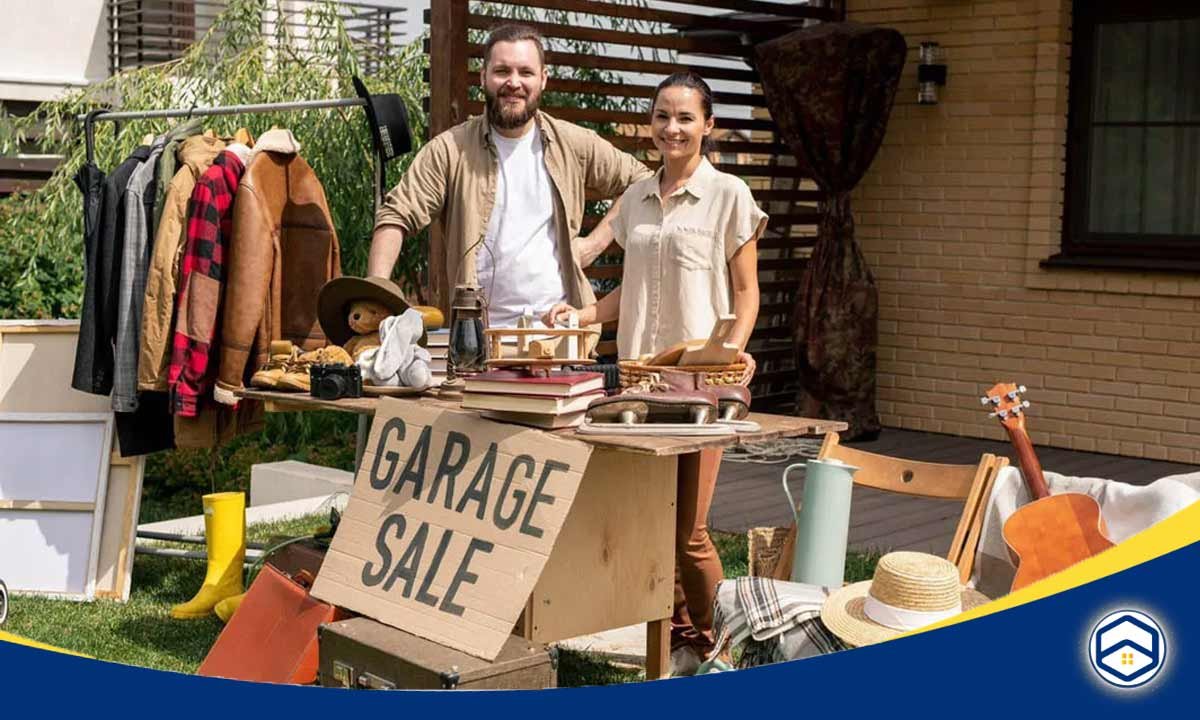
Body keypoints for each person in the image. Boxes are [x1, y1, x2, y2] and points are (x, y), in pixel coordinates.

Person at [543, 72, 767, 675]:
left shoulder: (729, 196)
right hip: (639, 383)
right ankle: (677, 644)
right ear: (651, 124)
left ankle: (732, 649)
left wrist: (731, 355)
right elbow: (630, 288)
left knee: (689, 533)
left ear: (708, 124)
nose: (674, 127)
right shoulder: (637, 198)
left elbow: (746, 294)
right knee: (652, 526)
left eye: (686, 117)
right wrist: (584, 313)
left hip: (699, 386)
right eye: (663, 116)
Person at [368, 24, 651, 332]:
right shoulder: (451, 149)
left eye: (526, 72)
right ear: (483, 77)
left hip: (562, 339)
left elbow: (642, 182)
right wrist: (376, 296)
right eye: (502, 71)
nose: (513, 83)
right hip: (479, 339)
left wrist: (594, 244)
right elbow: (395, 216)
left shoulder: (572, 142)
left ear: (543, 79)